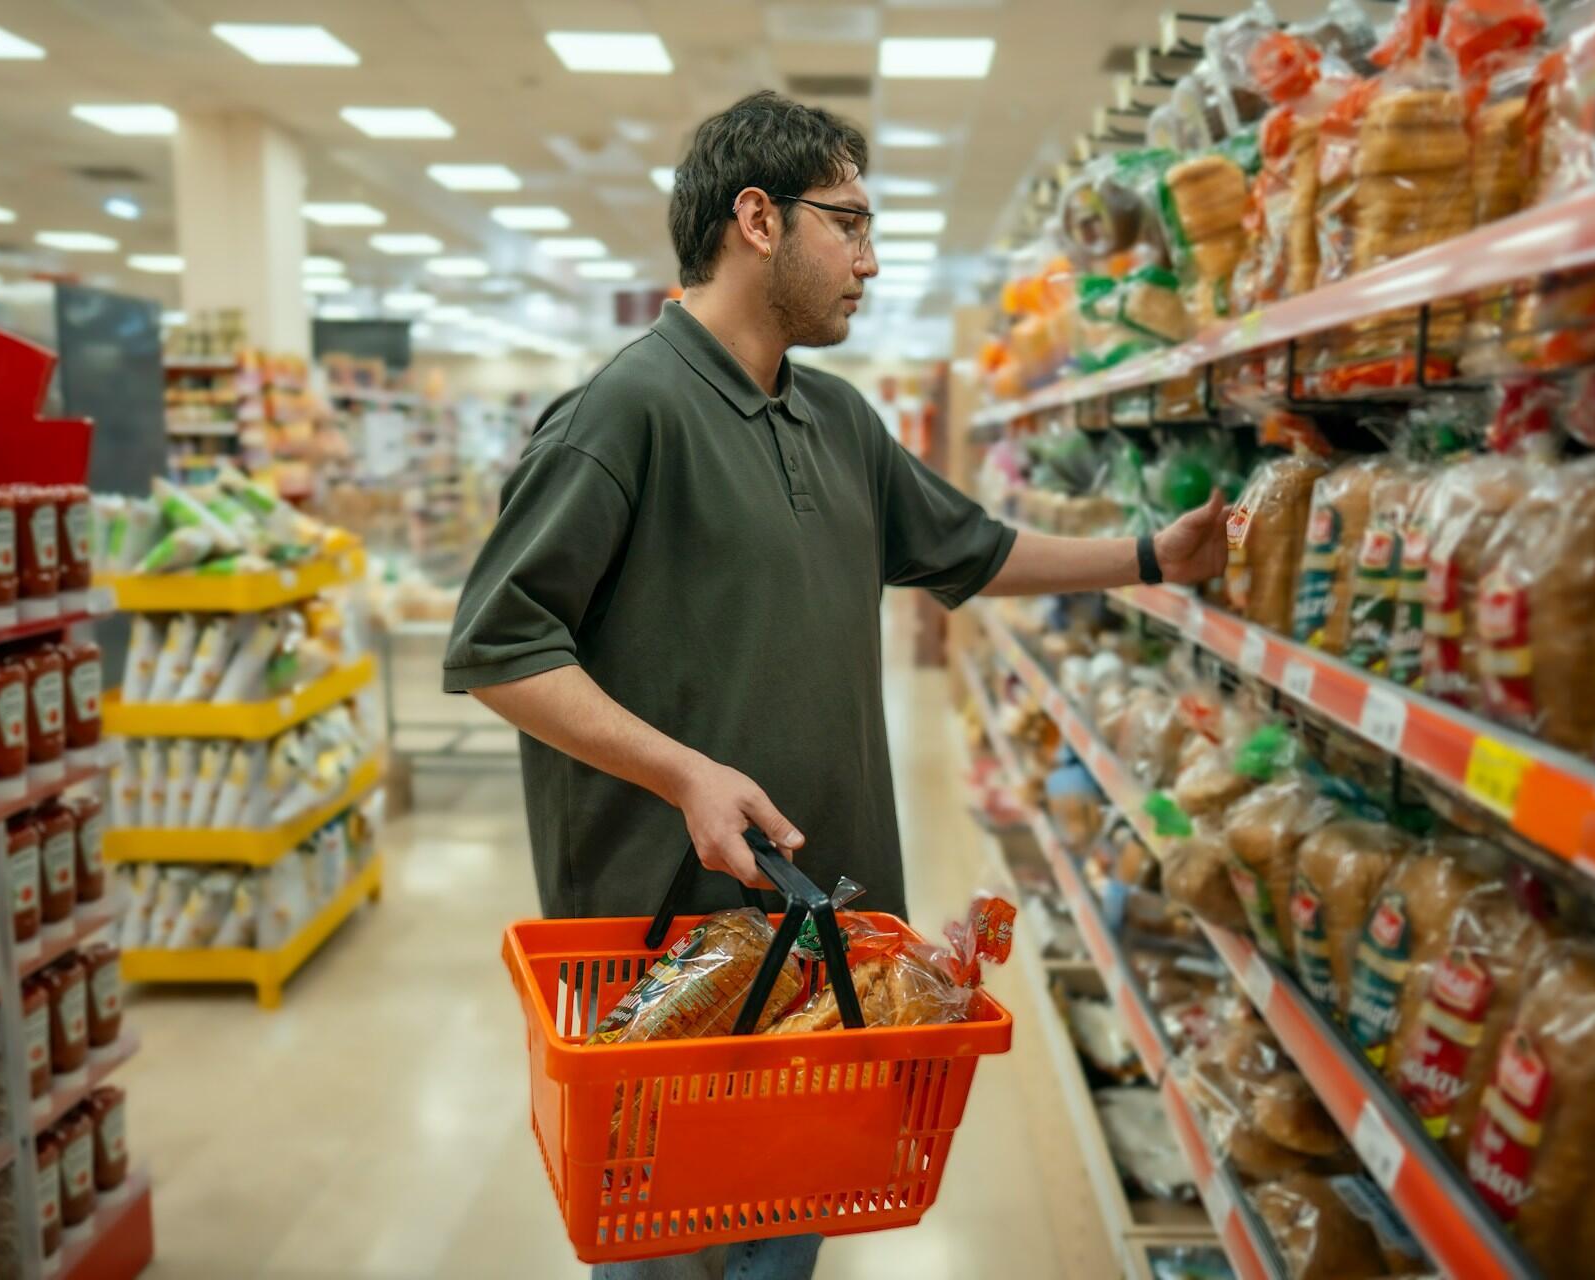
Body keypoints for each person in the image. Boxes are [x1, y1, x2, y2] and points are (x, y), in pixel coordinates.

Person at [442, 91, 1227, 1280]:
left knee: (782, 1251)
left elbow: (972, 549)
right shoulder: (629, 409)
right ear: (756, 219)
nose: (869, 259)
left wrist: (1153, 559)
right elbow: (501, 642)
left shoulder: (837, 416)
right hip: (676, 965)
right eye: (848, 224)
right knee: (675, 1254)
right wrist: (682, 770)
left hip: (828, 950)